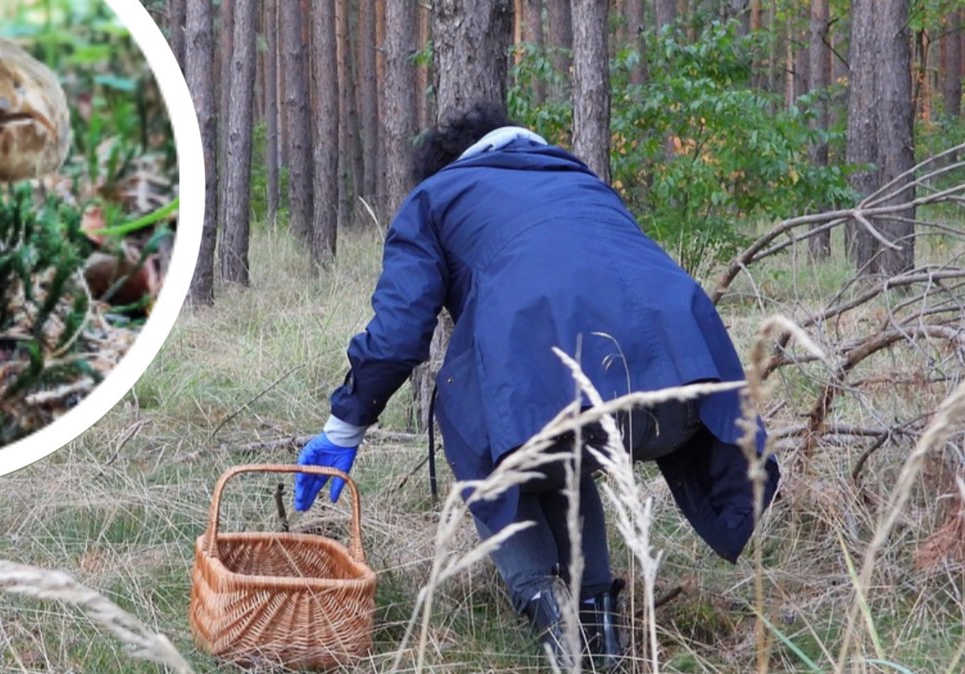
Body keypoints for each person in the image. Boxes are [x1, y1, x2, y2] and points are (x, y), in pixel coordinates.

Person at [292, 104, 780, 670]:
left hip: (582, 391)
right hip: (687, 387)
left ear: (447, 165)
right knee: (561, 454)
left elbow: (401, 333)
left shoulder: (435, 197)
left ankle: (553, 627)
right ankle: (604, 643)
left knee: (488, 437)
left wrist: (345, 424)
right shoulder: (581, 182)